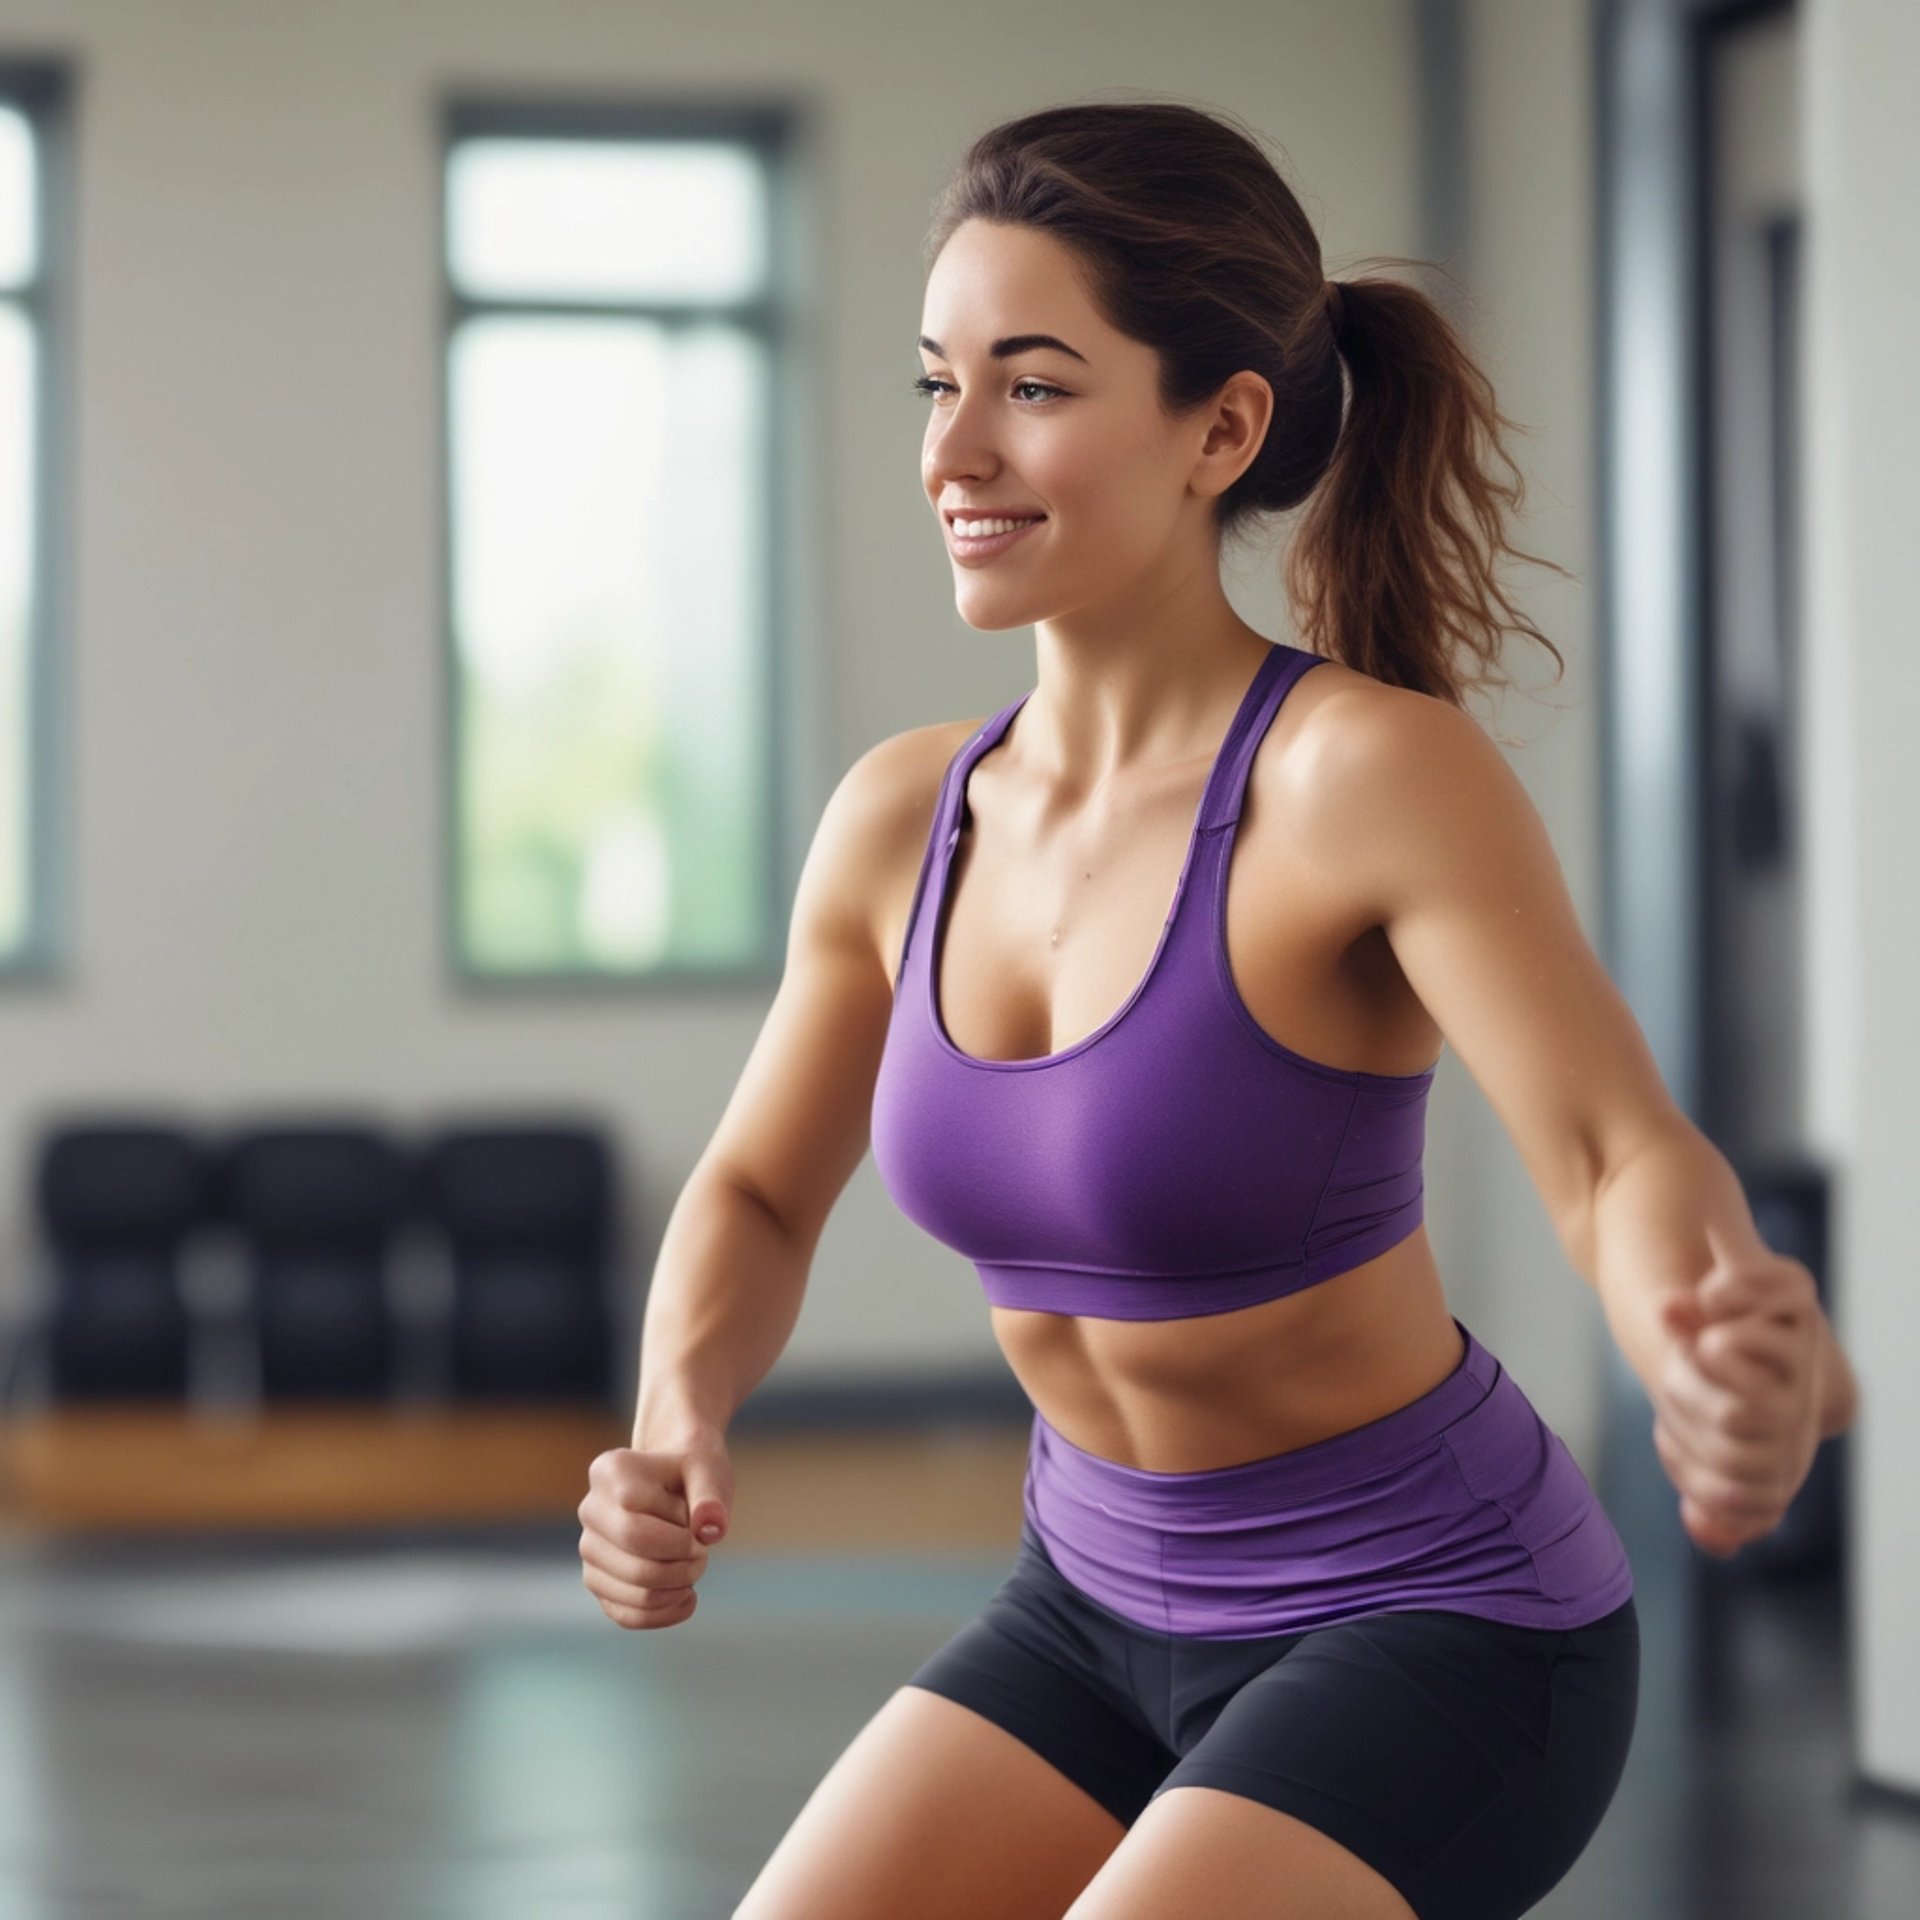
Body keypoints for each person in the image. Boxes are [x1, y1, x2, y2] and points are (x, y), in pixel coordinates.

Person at [577, 97, 1859, 1920]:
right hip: (1089, 1607)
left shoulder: (1364, 779)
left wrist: (1701, 1339)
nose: (958, 447)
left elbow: (1604, 1152)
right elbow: (762, 1192)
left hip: (1445, 1622)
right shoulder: (900, 817)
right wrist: (678, 1411)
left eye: (1032, 384)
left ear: (1223, 428)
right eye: (933, 383)